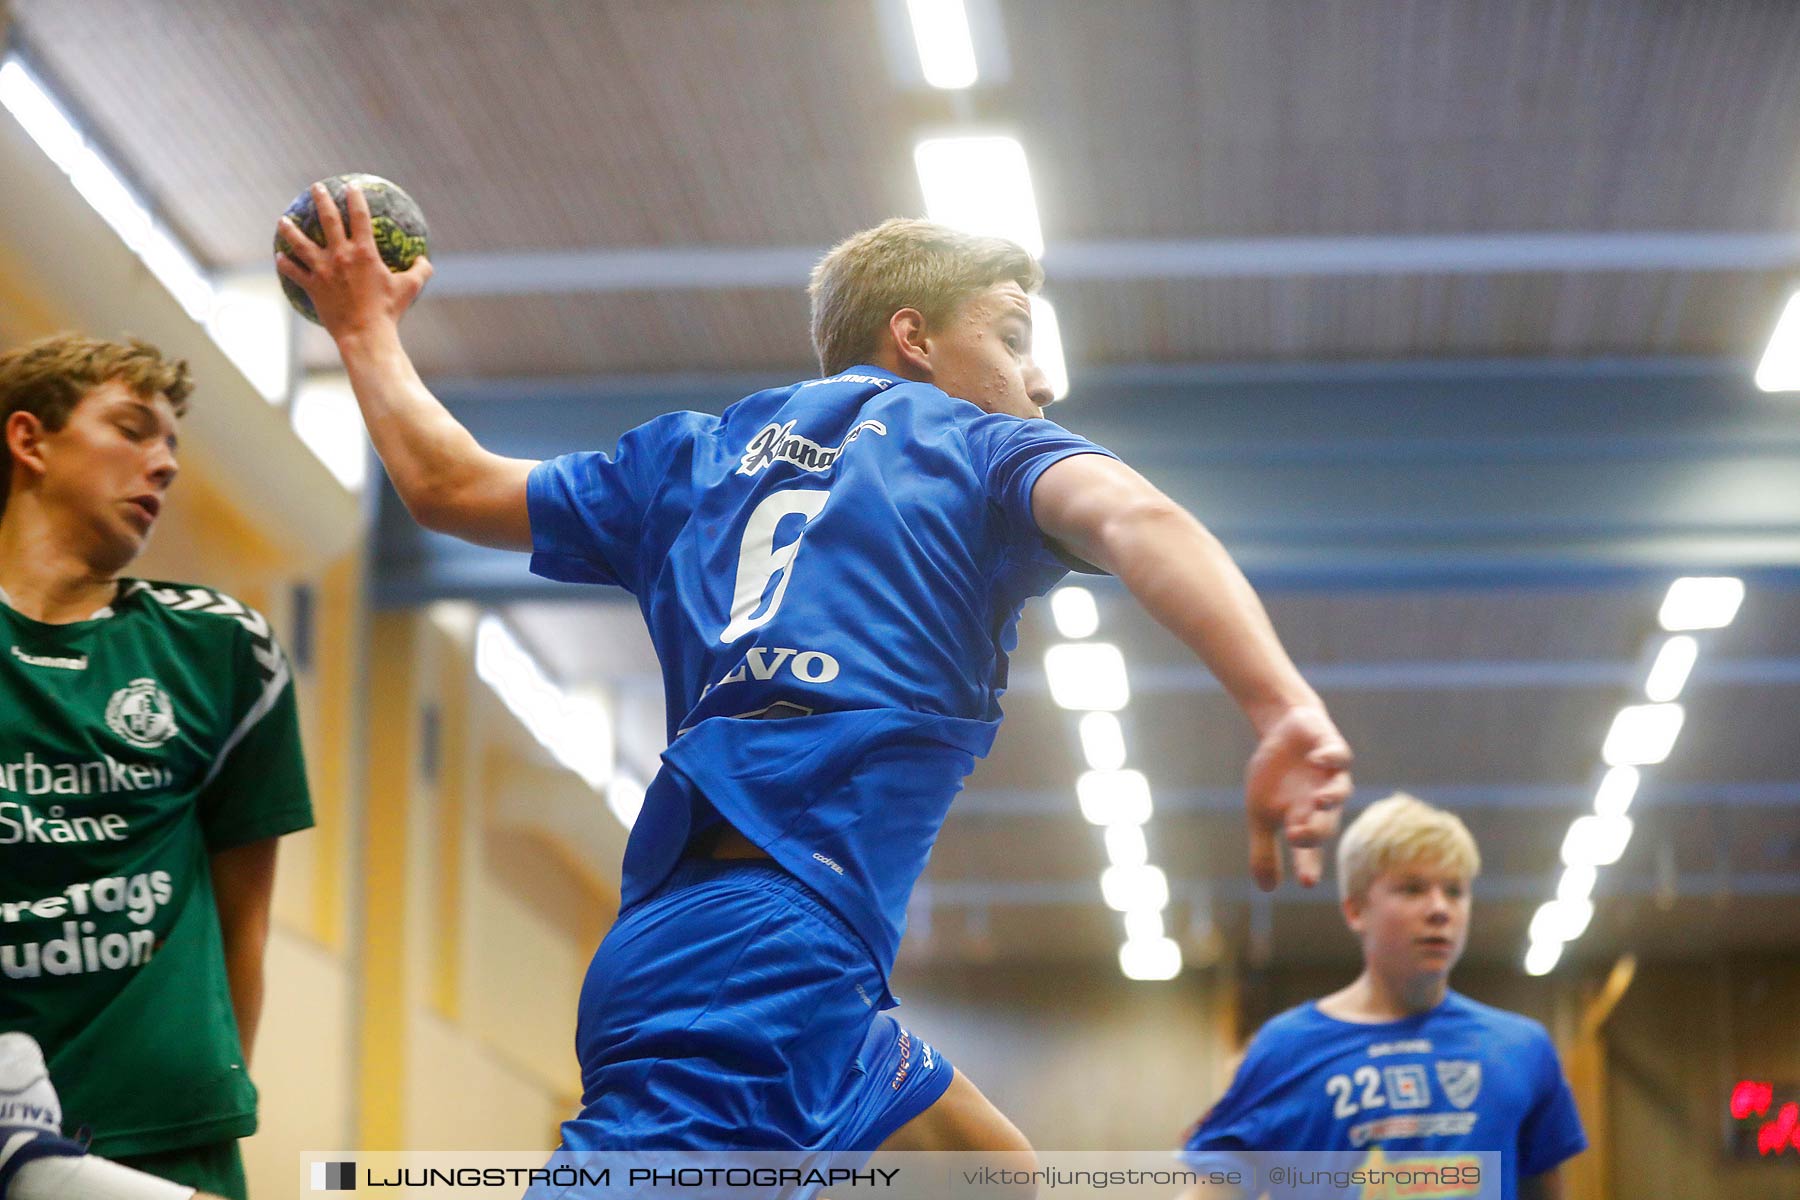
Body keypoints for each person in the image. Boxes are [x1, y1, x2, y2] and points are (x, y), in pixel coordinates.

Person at [274, 185, 1352, 1170]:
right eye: (1015, 338)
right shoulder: (975, 451)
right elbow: (1139, 517)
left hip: (738, 937)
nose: (1042, 380)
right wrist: (1281, 706)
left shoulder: (692, 456)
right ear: (914, 338)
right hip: (755, 955)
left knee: (996, 1176)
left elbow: (447, 484)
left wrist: (364, 326)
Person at [0, 334, 315, 1200]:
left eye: (172, 443)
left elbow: (245, 922)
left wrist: (208, 1098)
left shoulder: (219, 648)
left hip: (168, 1141)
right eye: (134, 429)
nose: (165, 464)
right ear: (30, 441)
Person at [1178, 793, 1587, 1200]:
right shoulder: (1286, 1049)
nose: (1440, 909)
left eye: (1455, 891)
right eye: (1412, 890)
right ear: (1356, 910)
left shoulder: (1521, 1049)